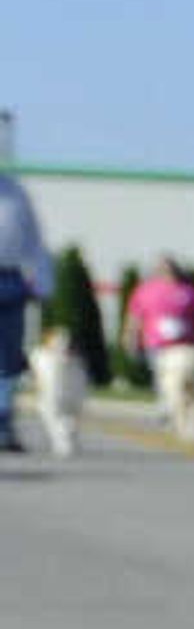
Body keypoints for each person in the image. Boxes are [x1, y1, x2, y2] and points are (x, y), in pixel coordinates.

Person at [127, 255, 194, 439]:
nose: (168, 274)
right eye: (163, 270)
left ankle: (186, 415)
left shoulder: (188, 292)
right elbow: (134, 317)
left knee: (190, 383)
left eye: (170, 270)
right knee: (164, 380)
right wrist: (130, 337)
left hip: (185, 345)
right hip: (157, 345)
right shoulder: (146, 291)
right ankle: (168, 409)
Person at [0, 171, 57, 451]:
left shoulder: (15, 192)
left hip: (10, 281)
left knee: (9, 359)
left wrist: (43, 283)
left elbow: (34, 240)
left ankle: (3, 422)